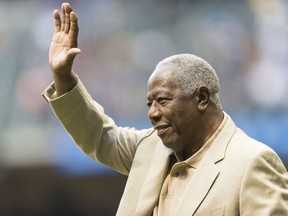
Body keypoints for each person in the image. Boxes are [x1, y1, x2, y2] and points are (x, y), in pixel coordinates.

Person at [43, 3, 288, 216]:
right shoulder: (150, 148)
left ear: (201, 98)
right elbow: (98, 135)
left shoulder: (252, 162)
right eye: (150, 104)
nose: (153, 113)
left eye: (163, 100)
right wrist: (63, 76)